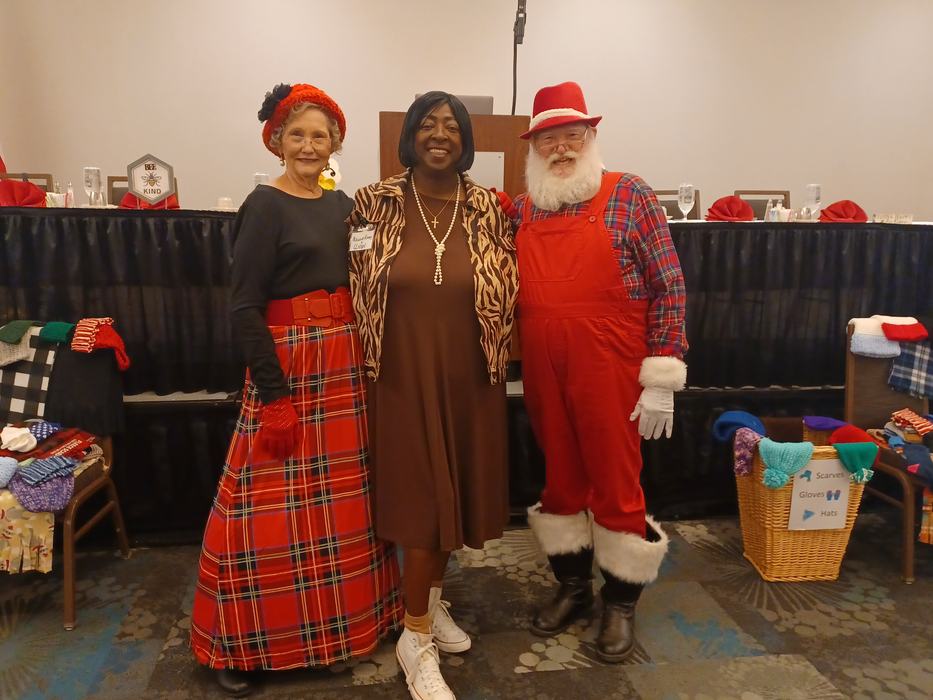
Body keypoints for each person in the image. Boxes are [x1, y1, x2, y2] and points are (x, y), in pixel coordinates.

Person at [189, 83, 402, 697]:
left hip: (345, 362)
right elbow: (245, 309)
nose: (310, 145)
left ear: (335, 143)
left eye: (321, 134)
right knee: (262, 515)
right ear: (277, 141)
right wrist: (274, 396)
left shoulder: (342, 207)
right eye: (298, 134)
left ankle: (335, 636)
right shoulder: (264, 204)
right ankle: (239, 645)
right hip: (288, 367)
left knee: (338, 515)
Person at [500, 81, 687, 663]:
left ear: (590, 138)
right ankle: (574, 588)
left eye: (571, 136)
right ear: (534, 149)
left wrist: (661, 375)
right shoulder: (524, 208)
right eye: (548, 139)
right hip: (544, 369)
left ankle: (621, 605)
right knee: (560, 479)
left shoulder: (629, 193)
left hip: (611, 365)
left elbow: (669, 285)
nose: (560, 148)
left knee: (615, 480)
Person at [349, 91, 518, 700]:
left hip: (470, 374)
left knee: (455, 499)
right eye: (428, 124)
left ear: (466, 139)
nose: (439, 134)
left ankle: (429, 603)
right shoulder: (374, 202)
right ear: (411, 136)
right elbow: (353, 282)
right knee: (423, 503)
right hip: (399, 372)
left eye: (452, 125)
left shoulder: (491, 208)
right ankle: (413, 639)